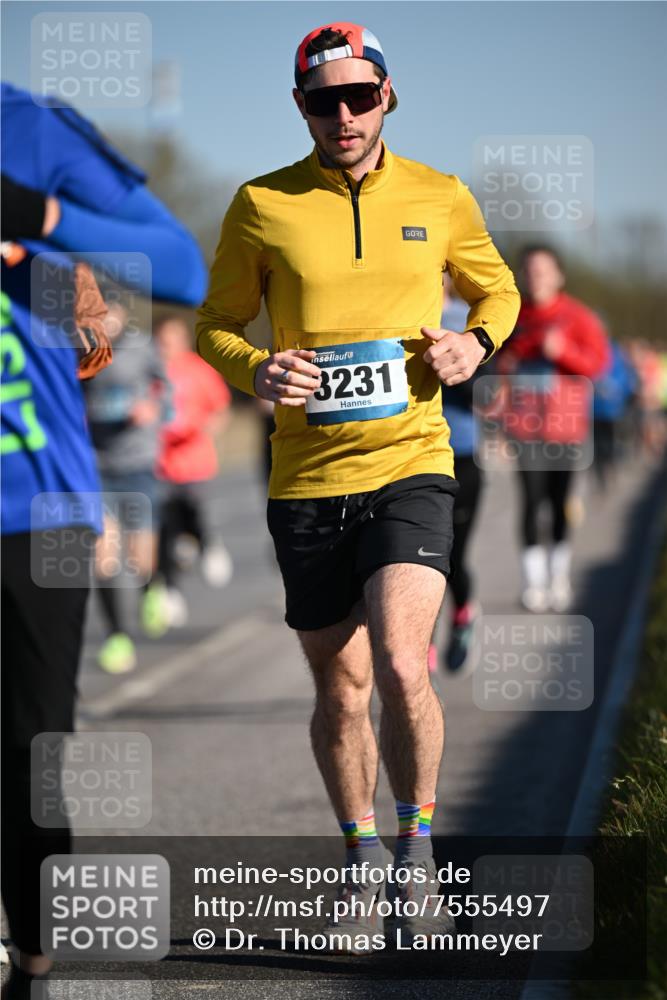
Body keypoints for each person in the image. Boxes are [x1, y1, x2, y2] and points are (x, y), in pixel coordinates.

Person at [196, 22, 520, 950]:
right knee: (338, 692)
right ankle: (361, 857)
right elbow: (219, 323)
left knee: (397, 655)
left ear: (388, 97)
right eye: (320, 100)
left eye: (358, 96)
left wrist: (474, 344)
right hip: (304, 478)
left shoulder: (440, 194)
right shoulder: (260, 204)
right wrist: (253, 370)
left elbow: (496, 292)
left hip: (413, 461)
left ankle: (418, 848)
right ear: (299, 106)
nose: (341, 114)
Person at [1, 81, 206, 999]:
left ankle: (35, 965)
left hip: (37, 512)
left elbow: (181, 268)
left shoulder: (29, 130)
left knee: (30, 750)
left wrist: (40, 217)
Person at [496, 245, 610, 612]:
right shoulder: (513, 319)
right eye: (530, 271)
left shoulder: (579, 317)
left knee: (559, 503)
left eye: (544, 270)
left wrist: (562, 351)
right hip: (525, 429)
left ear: (559, 275)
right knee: (530, 502)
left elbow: (597, 366)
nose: (537, 277)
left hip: (566, 429)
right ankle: (534, 583)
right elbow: (499, 372)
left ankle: (558, 576)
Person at [84, 302, 172, 672]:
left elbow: (166, 390)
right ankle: (117, 636)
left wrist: (154, 409)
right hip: (97, 464)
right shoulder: (80, 351)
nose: (107, 322)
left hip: (137, 462)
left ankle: (152, 586)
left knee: (140, 559)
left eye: (110, 313)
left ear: (122, 313)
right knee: (103, 555)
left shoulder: (141, 347)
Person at [154, 315, 233, 626]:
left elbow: (220, 408)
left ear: (183, 340)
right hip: (159, 464)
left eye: (171, 340)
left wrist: (205, 429)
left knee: (195, 511)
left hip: (195, 462)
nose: (165, 346)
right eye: (161, 340)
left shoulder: (198, 369)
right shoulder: (149, 370)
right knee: (165, 529)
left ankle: (207, 542)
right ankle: (169, 591)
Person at [439, 278, 485, 672]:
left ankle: (464, 615)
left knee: (452, 556)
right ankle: (419, 653)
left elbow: (490, 394)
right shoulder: (388, 319)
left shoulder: (466, 324)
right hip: (406, 460)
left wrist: (460, 368)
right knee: (410, 561)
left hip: (461, 455)